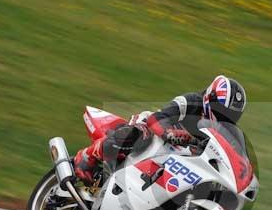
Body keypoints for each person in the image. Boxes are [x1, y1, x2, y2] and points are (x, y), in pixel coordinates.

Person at [73, 75, 247, 185]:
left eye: (231, 115)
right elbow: (156, 119)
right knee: (139, 133)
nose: (225, 118)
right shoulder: (192, 101)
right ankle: (89, 157)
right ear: (210, 99)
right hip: (156, 132)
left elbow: (236, 157)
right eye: (223, 112)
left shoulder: (225, 132)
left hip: (181, 157)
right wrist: (169, 133)